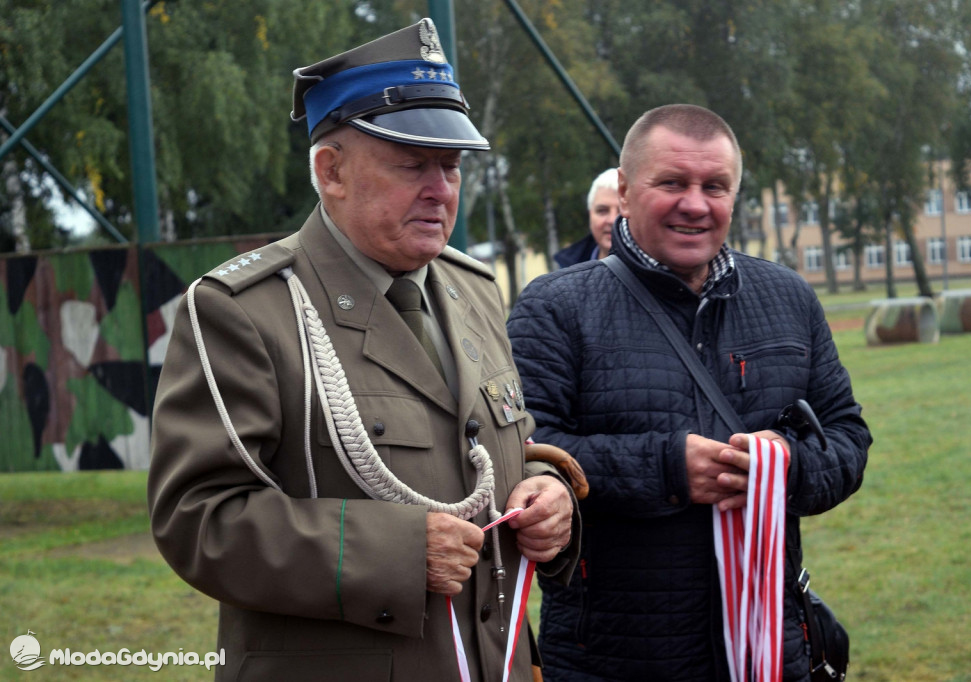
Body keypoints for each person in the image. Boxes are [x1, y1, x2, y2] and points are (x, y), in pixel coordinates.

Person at [148, 19, 578, 682]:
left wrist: (547, 494)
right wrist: (397, 555)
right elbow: (199, 519)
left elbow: (489, 453)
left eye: (452, 166)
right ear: (332, 171)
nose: (442, 189)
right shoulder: (245, 309)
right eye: (413, 165)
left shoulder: (473, 289)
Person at [506, 104, 871, 681]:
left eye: (715, 186)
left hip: (770, 651)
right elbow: (525, 454)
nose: (696, 203)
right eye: (672, 182)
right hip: (613, 657)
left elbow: (847, 438)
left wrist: (782, 468)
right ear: (625, 192)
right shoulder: (554, 307)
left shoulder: (789, 297)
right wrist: (667, 468)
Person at [553, 167, 619, 268]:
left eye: (621, 211)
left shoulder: (650, 274)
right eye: (602, 211)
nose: (612, 220)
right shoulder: (567, 271)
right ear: (590, 215)